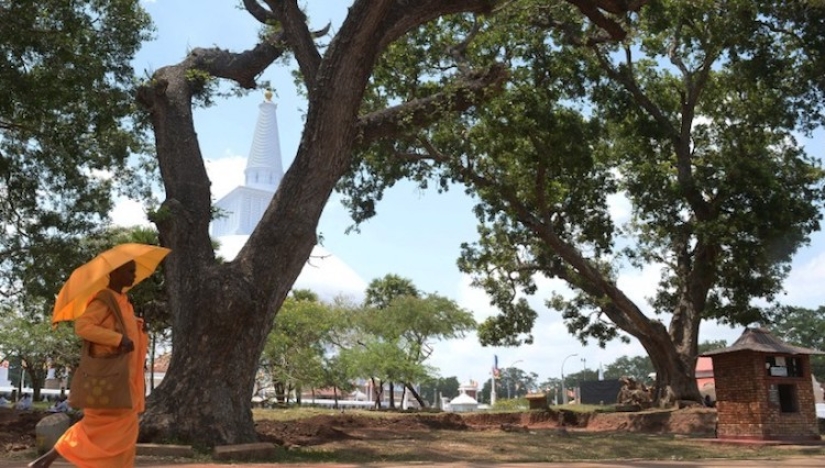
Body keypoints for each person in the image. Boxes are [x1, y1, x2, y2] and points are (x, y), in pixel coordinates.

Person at [29, 260, 148, 468]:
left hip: (125, 378)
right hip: (108, 378)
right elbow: (83, 327)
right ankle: (48, 458)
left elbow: (125, 332)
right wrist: (118, 339)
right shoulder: (104, 300)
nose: (133, 276)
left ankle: (47, 459)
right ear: (115, 272)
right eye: (130, 271)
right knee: (99, 427)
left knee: (122, 430)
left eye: (134, 271)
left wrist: (139, 328)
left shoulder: (124, 302)